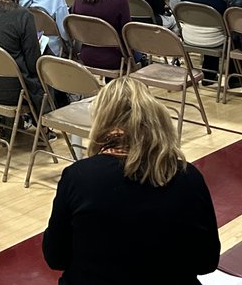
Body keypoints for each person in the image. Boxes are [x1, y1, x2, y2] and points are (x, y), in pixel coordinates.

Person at [42, 76, 220, 285]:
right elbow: (206, 262)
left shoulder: (78, 177)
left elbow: (56, 257)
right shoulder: (188, 176)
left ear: (102, 123)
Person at [71, 0, 129, 71]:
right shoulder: (119, 1)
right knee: (140, 57)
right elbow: (126, 34)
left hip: (85, 54)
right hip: (114, 58)